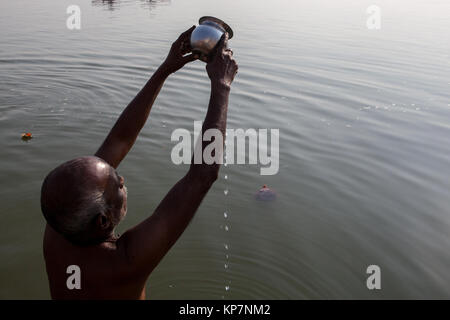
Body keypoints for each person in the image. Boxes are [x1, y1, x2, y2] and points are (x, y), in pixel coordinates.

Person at [40, 26, 238, 299]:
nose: (121, 179)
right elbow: (202, 176)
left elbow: (120, 139)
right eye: (116, 185)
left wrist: (165, 69)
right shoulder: (124, 261)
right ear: (102, 221)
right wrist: (222, 86)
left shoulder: (59, 227)